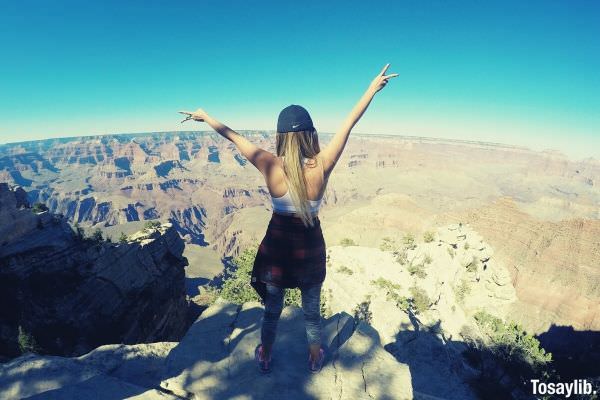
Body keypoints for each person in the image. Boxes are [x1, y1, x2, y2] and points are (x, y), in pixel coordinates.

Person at [179, 63, 398, 374]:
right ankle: (314, 356)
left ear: (280, 137)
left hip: (277, 251)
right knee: (311, 314)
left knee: (272, 312)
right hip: (310, 249)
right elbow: (349, 122)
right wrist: (372, 89)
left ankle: (265, 354)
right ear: (311, 135)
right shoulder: (322, 165)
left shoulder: (268, 164)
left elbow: (234, 137)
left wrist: (206, 116)